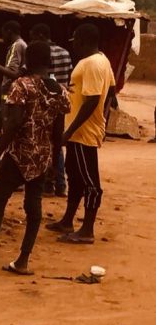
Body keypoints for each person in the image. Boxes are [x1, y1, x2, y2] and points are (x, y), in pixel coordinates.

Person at [0, 41, 71, 276]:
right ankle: (23, 261)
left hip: (19, 155)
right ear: (48, 62)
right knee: (33, 207)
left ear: (29, 60)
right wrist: (53, 162)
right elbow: (58, 133)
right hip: (42, 157)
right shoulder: (60, 92)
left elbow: (14, 124)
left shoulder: (22, 86)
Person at [46, 24, 115, 244]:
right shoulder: (102, 60)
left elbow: (93, 99)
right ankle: (67, 220)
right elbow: (111, 91)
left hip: (82, 133)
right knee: (75, 178)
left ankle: (87, 230)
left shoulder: (92, 63)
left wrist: (70, 130)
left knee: (90, 182)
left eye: (75, 40)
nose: (73, 44)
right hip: (81, 131)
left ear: (83, 40)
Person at [30, 23, 72, 197]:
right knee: (57, 142)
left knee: (43, 142)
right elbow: (67, 78)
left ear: (40, 35)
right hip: (61, 100)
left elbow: (46, 78)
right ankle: (60, 184)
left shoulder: (44, 53)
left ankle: (46, 182)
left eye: (33, 36)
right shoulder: (65, 52)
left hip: (46, 102)